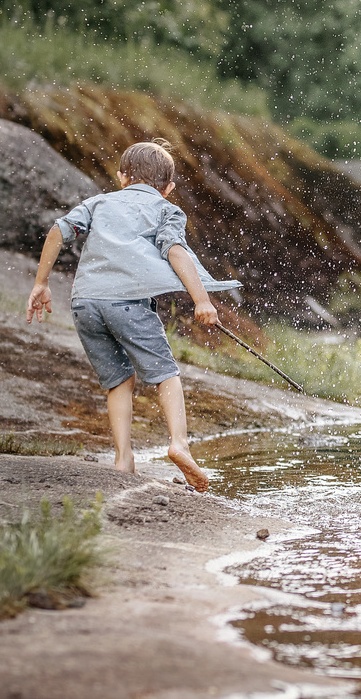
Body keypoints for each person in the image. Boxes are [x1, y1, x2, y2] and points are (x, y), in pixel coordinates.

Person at [27, 139, 239, 493]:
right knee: (164, 373)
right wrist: (202, 300)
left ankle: (124, 459)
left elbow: (58, 231)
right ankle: (179, 444)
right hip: (128, 303)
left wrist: (41, 283)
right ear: (168, 188)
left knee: (118, 380)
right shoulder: (167, 210)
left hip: (85, 303)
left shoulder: (99, 202)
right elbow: (174, 251)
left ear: (122, 176)